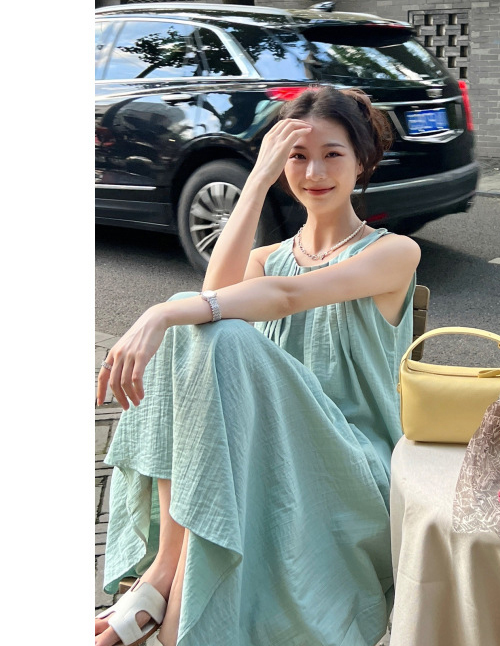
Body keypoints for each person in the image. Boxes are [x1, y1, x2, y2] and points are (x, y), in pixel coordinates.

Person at [94, 86, 421, 646]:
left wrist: (159, 313)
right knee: (197, 323)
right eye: (297, 156)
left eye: (333, 154)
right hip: (263, 447)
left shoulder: (393, 253)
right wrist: (255, 182)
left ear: (362, 161)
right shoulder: (268, 258)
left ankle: (164, 589)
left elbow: (285, 298)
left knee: (190, 316)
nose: (314, 171)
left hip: (352, 461)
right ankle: (167, 572)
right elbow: (211, 304)